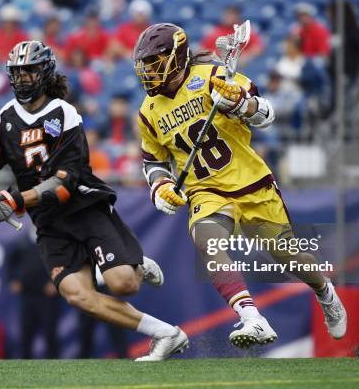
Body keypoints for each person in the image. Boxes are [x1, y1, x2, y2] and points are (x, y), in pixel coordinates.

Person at [0, 40, 188, 361]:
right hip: (48, 222)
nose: (23, 78)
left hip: (82, 207)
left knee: (125, 284)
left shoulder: (63, 114)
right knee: (77, 295)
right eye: (17, 72)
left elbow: (66, 182)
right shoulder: (4, 118)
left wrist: (15, 200)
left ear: (44, 72)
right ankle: (167, 334)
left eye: (29, 71)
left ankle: (131, 263)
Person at [132, 23, 347, 349]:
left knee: (287, 255)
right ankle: (251, 318)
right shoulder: (148, 112)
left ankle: (325, 292)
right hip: (206, 190)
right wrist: (159, 186)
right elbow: (154, 161)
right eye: (144, 65)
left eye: (154, 63)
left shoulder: (213, 76)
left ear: (176, 57)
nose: (148, 72)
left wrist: (239, 104)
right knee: (209, 242)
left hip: (251, 182)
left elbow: (266, 114)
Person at [7, 227, 61, 359]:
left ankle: (54, 362)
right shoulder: (21, 242)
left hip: (47, 295)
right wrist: (12, 280)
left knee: (50, 330)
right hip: (27, 293)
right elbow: (10, 262)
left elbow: (63, 263)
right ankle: (25, 361)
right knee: (26, 330)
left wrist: (56, 283)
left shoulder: (53, 242)